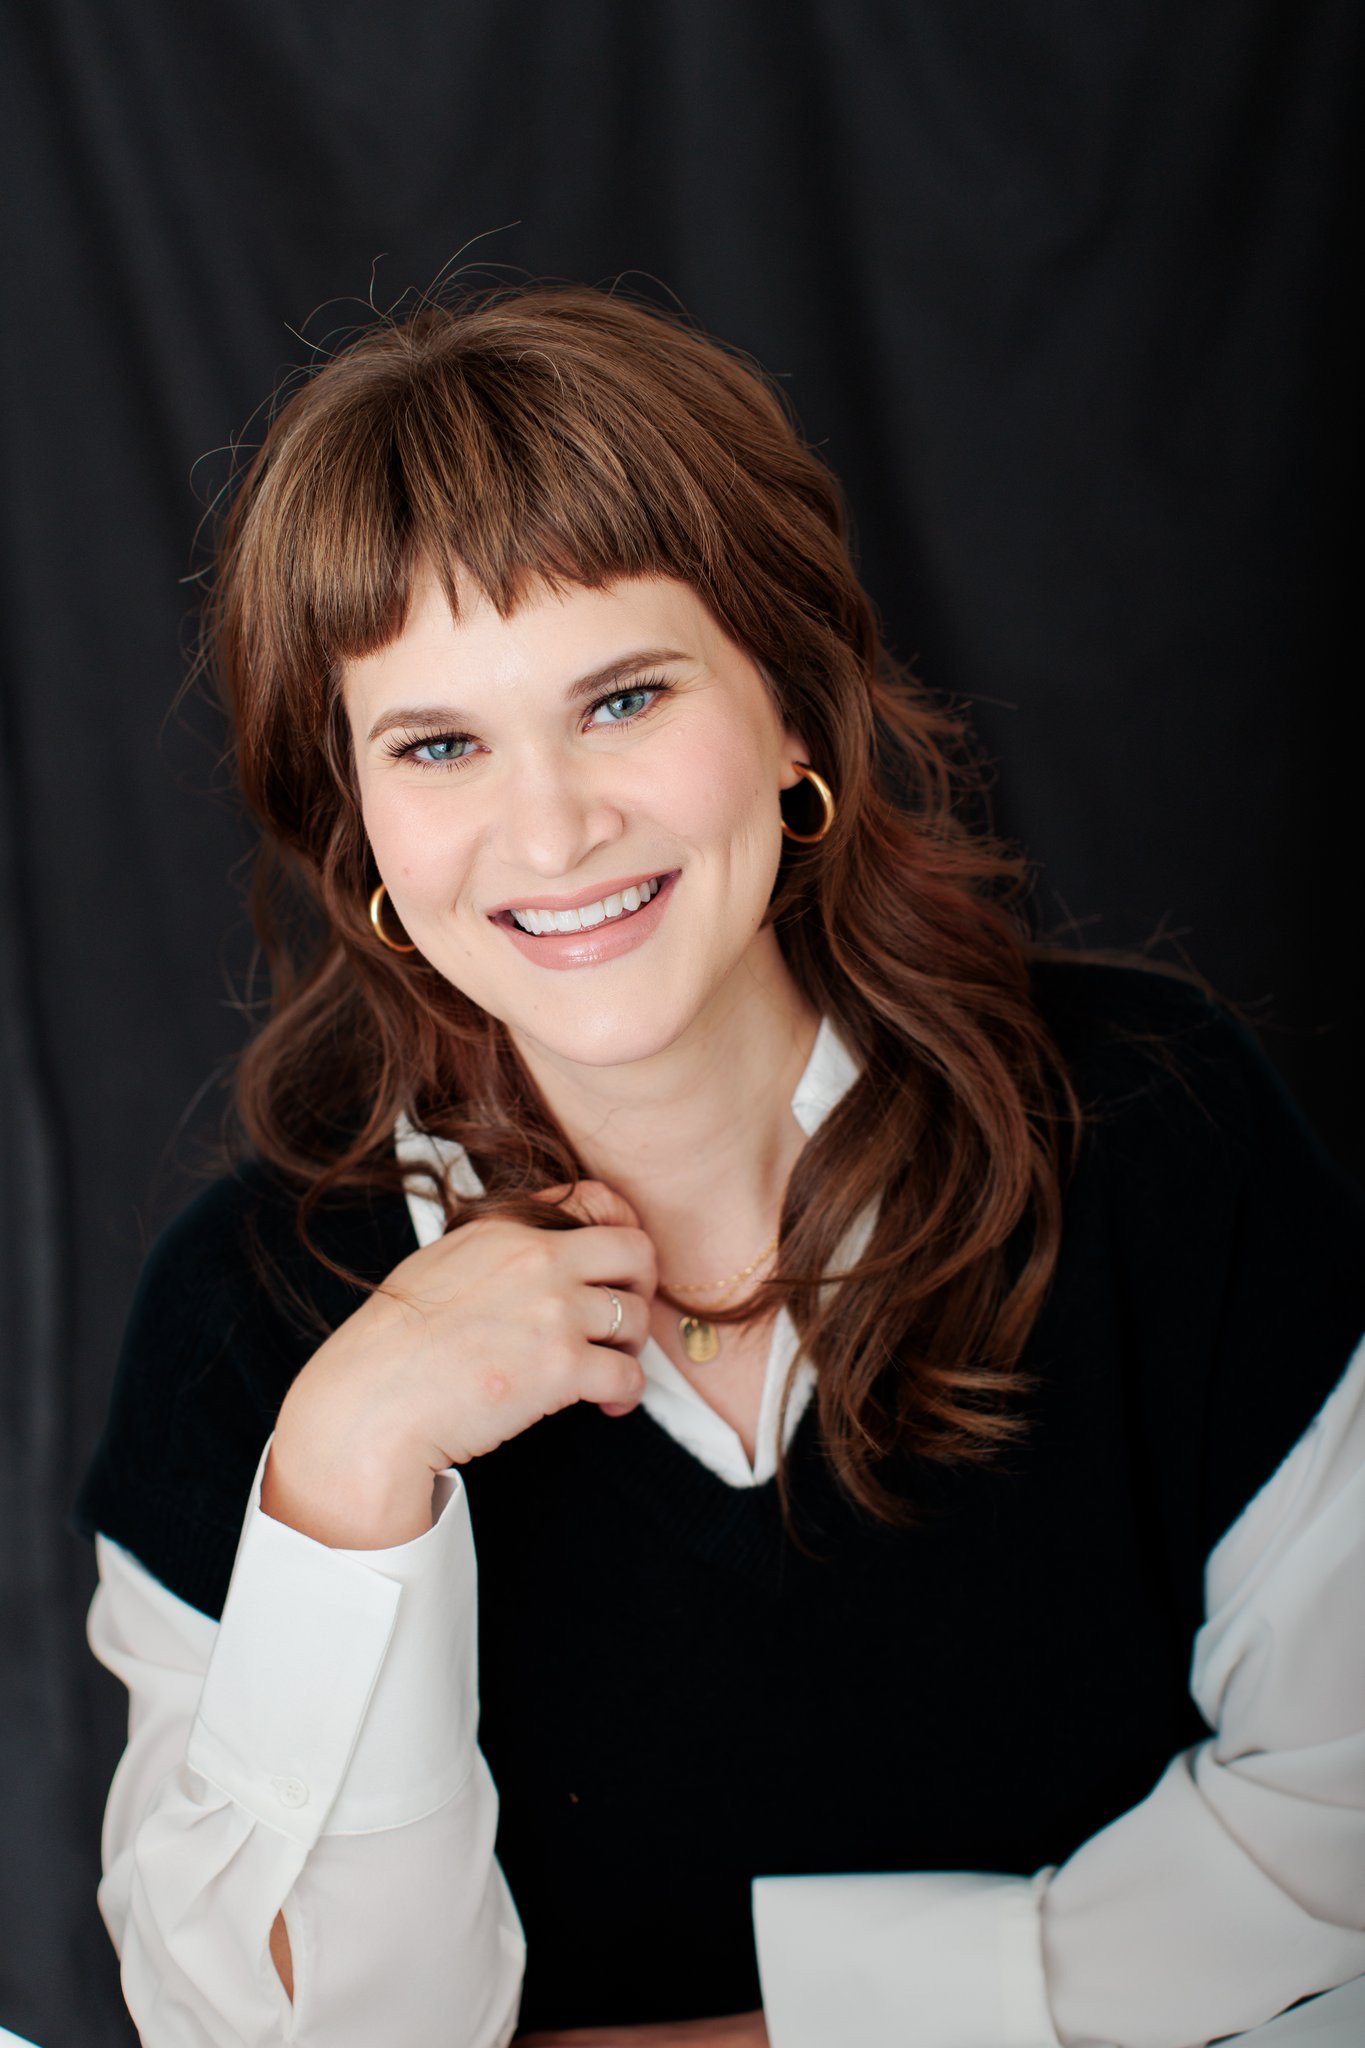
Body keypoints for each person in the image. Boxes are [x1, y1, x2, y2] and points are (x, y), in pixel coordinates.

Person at [75, 284, 1365, 2048]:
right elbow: (270, 2040)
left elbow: (1341, 1831)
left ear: (788, 709)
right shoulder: (246, 1327)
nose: (549, 828)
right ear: (358, 826)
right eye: (437, 744)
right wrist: (348, 1475)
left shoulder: (1151, 1127)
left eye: (620, 699)